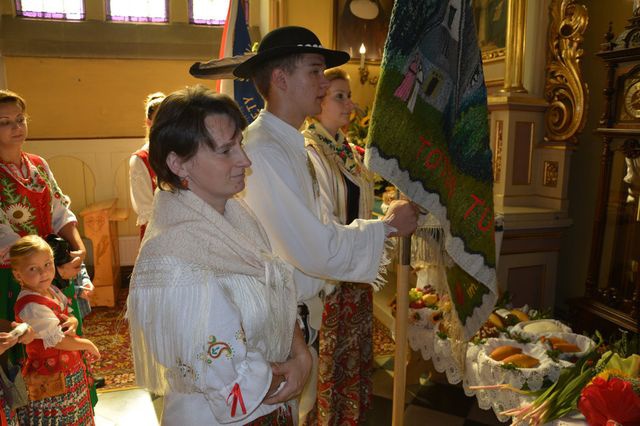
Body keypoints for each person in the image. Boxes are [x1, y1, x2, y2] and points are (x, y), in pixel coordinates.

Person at [233, 26, 418, 421]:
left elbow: (321, 226)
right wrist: (386, 226)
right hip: (271, 320)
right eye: (315, 71)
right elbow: (314, 247)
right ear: (281, 79)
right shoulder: (265, 151)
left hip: (294, 316)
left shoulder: (289, 144)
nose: (323, 82)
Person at [126, 85, 311, 425]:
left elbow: (274, 292)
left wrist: (300, 355)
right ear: (178, 163)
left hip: (272, 403)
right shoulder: (175, 257)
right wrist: (290, 368)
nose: (245, 159)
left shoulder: (237, 218)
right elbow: (227, 386)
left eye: (239, 143)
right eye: (226, 150)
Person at [302, 67, 376, 424]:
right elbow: (324, 222)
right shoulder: (311, 152)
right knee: (329, 361)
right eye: (339, 97)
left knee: (355, 357)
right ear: (317, 103)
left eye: (349, 96)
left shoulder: (348, 151)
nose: (350, 104)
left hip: (357, 274)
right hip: (331, 277)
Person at [0, 90, 85, 361]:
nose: (16, 127)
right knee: (38, 347)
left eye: (20, 119)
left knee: (68, 336)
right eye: (4, 122)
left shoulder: (38, 165)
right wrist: (47, 263)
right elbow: (4, 235)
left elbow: (60, 210)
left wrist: (78, 251)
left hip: (53, 268)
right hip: (20, 275)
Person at [10, 235, 99, 424]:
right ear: (19, 275)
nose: (44, 273)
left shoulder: (52, 290)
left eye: (47, 264)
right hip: (50, 378)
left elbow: (67, 315)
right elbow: (58, 340)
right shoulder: (31, 306)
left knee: (77, 416)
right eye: (33, 268)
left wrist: (73, 321)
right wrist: (87, 344)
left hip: (69, 371)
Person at [129, 92, 166, 240]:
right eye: (160, 120)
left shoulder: (182, 153)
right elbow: (146, 210)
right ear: (148, 122)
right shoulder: (140, 160)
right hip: (157, 234)